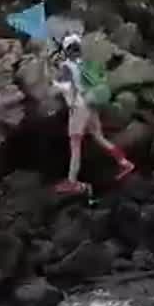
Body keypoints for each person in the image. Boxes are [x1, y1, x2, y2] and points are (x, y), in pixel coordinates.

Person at [51, 35, 134, 195]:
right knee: (98, 136)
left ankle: (72, 182)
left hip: (79, 107)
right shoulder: (85, 65)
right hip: (92, 104)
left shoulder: (67, 67)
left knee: (75, 144)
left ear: (67, 51)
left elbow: (66, 88)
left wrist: (54, 82)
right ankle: (125, 163)